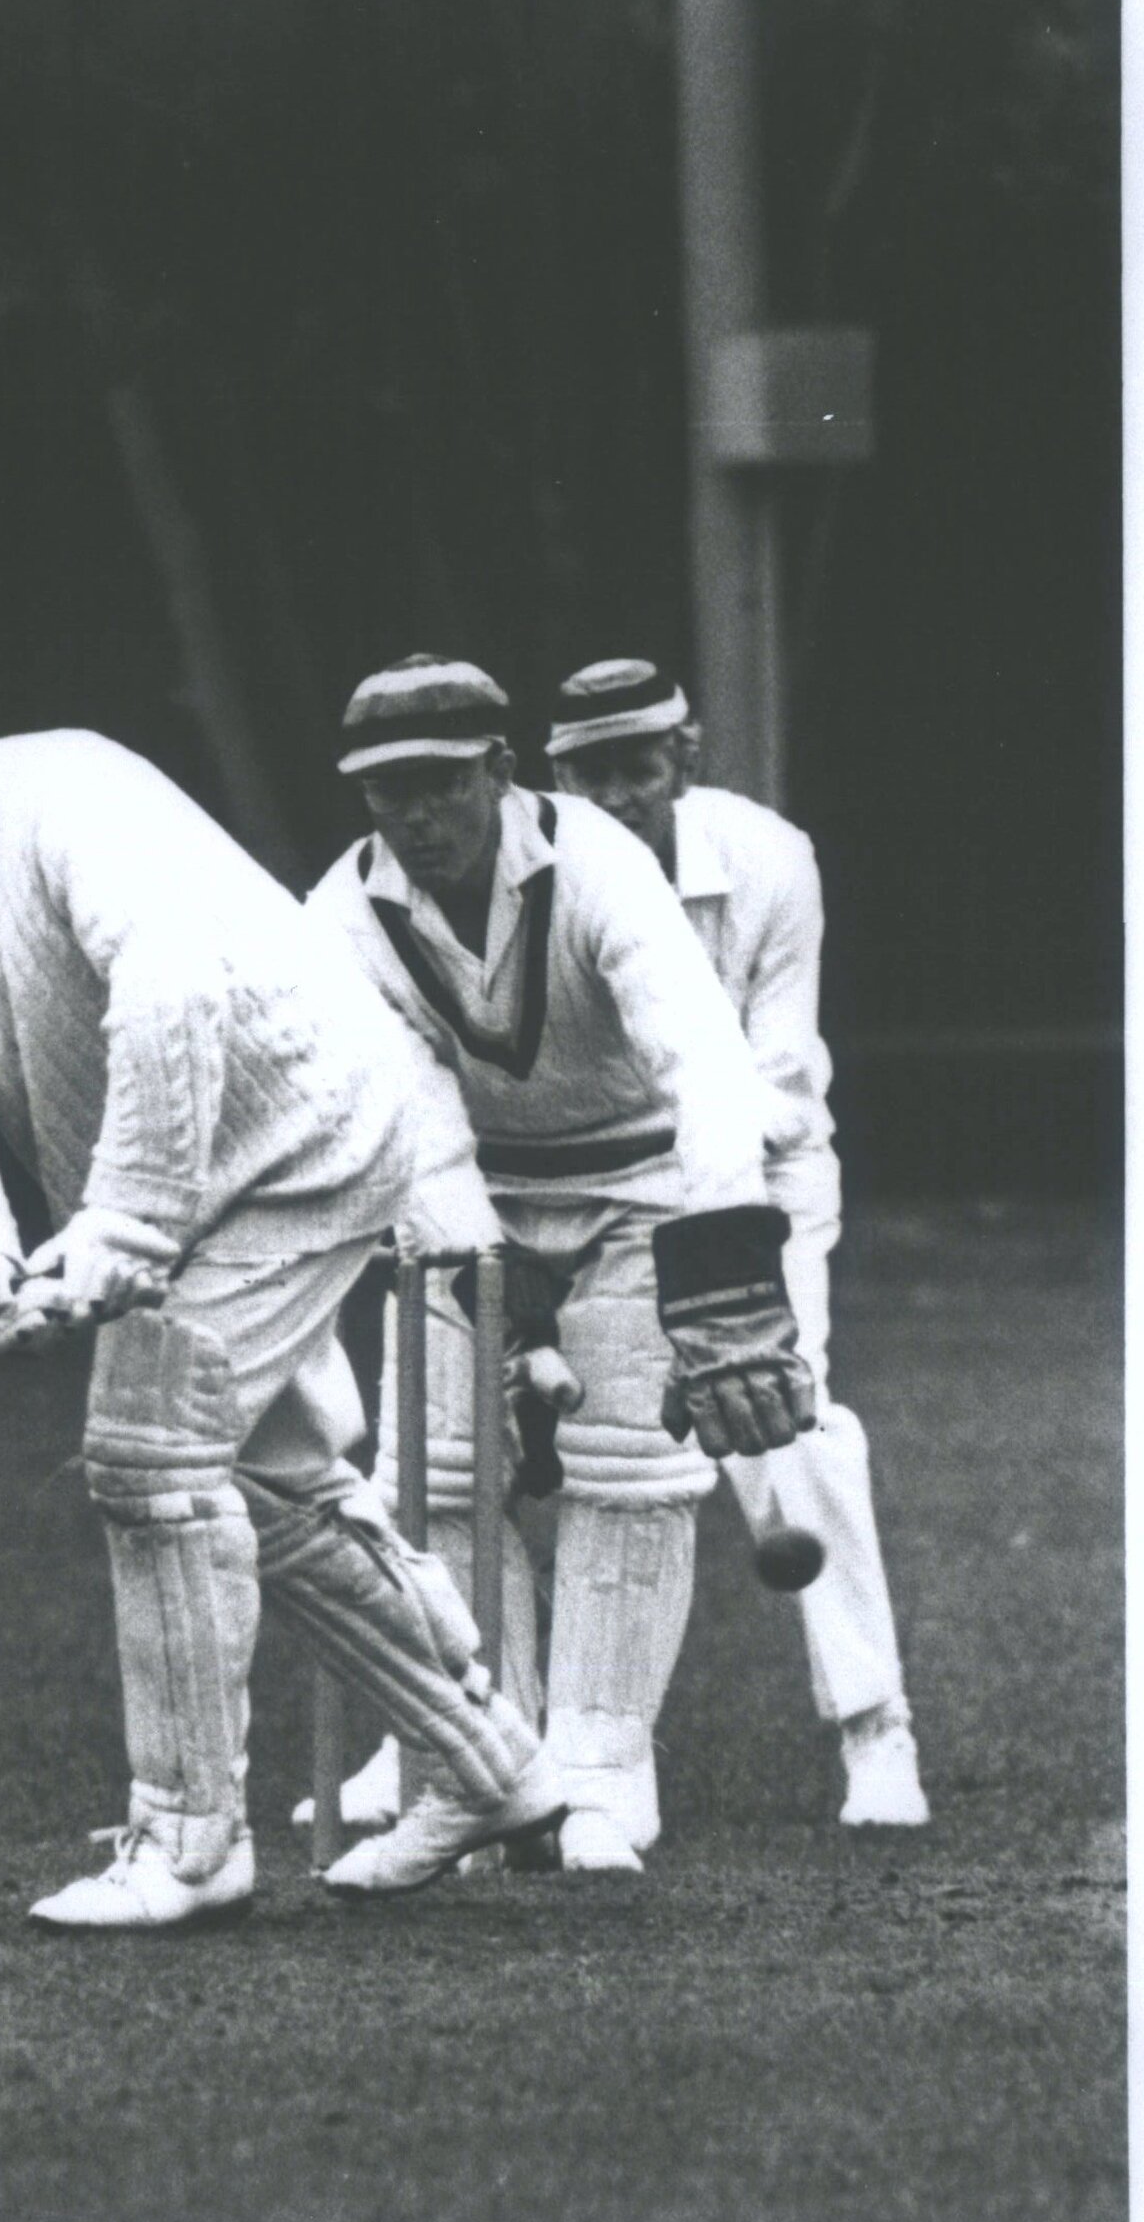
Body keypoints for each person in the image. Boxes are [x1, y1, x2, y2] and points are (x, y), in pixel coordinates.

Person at [0, 646, 564, 1929]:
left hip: (311, 1130)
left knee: (144, 1457)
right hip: (170, 1189)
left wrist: (127, 1222)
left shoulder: (70, 793)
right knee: (264, 1486)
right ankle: (494, 1767)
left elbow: (169, 999)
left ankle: (190, 1844)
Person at [306, 655, 820, 1874]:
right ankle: (496, 1762)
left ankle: (598, 1769)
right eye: (387, 793)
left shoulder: (596, 862)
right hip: (465, 1184)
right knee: (430, 1474)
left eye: (437, 783)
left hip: (645, 1182)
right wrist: (479, 1251)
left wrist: (728, 1257)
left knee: (629, 1472)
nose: (414, 816)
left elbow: (699, 1057)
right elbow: (402, 1106)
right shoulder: (337, 914)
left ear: (497, 769)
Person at [543, 657, 928, 1827]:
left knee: (790, 1421)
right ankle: (494, 1747)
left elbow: (774, 1071)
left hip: (759, 1173)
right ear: (556, 774)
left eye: (636, 768)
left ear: (685, 760)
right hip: (587, 1189)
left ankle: (876, 1730)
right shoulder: (532, 874)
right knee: (532, 1441)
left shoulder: (768, 858)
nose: (613, 793)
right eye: (589, 771)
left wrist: (702, 1195)